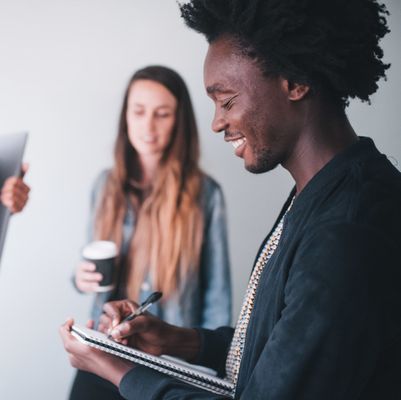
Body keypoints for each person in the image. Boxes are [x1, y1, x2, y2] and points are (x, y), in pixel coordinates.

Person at [60, 0, 401, 399]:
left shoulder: (347, 231)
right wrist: (178, 340)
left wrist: (121, 373)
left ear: (295, 80)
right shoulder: (321, 195)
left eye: (227, 100)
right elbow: (278, 350)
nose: (218, 122)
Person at [69, 65, 232, 399]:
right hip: (106, 357)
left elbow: (217, 303)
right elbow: (90, 267)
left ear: (179, 122)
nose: (148, 125)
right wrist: (79, 278)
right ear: (125, 115)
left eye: (162, 114)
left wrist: (208, 376)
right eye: (139, 111)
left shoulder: (205, 195)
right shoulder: (104, 186)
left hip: (169, 370)